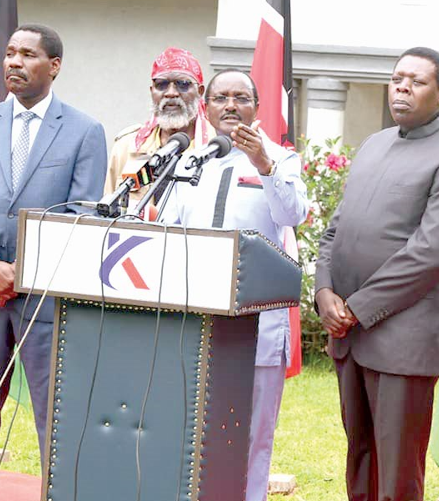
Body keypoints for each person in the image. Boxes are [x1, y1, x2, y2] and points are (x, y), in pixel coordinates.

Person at [315, 47, 439, 501]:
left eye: (416, 81)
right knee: (360, 456)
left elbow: (431, 251)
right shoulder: (375, 143)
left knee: (397, 472)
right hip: (349, 331)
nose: (402, 88)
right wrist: (325, 290)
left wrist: (357, 307)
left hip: (403, 335)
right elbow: (337, 227)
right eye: (397, 79)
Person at [0, 24, 107, 501]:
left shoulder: (85, 131)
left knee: (53, 417)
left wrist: (22, 274)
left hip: (46, 301)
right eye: (10, 53)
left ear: (53, 66)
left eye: (28, 55)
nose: (13, 62)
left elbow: (81, 215)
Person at [159, 69, 307, 501]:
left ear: (256, 108)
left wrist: (264, 165)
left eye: (241, 98)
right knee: (188, 432)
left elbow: (293, 214)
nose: (230, 106)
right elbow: (167, 230)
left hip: (256, 324)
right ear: (205, 107)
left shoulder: (281, 159)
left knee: (252, 438)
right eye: (220, 97)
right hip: (193, 322)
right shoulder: (186, 161)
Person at [104, 47, 212, 218]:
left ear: (200, 92)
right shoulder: (126, 146)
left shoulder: (214, 149)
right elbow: (106, 213)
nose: (171, 93)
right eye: (161, 85)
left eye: (183, 84)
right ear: (151, 91)